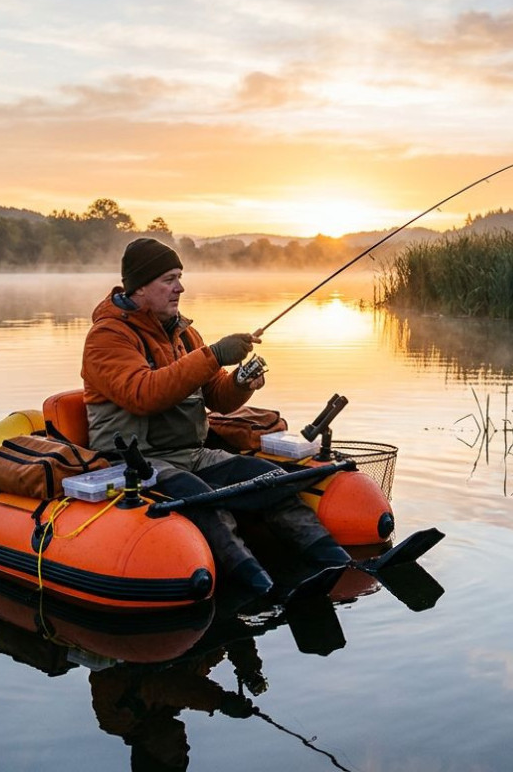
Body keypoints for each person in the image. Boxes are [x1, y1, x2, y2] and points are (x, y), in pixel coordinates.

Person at [81, 237, 351, 595]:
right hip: (137, 462)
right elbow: (142, 395)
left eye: (179, 276)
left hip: (192, 454)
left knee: (270, 480)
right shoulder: (108, 336)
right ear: (140, 287)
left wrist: (241, 383)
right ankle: (262, 587)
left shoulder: (185, 334)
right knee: (204, 501)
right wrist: (214, 355)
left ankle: (340, 564)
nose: (180, 287)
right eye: (169, 279)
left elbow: (219, 400)